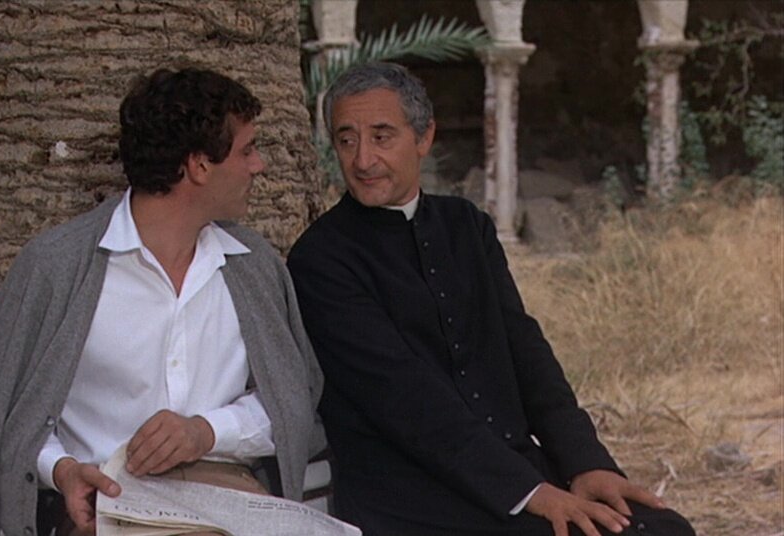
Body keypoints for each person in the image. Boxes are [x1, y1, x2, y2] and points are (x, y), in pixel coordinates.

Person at [287, 62, 695, 536]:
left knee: (665, 529)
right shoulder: (321, 258)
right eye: (346, 140)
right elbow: (405, 398)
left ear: (424, 137)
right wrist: (531, 492)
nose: (362, 160)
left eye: (381, 137)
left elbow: (525, 350)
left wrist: (586, 462)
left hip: (515, 472)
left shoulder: (466, 226)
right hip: (410, 497)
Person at [0, 68, 325, 536]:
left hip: (227, 503)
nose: (258, 166)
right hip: (105, 507)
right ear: (198, 166)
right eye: (246, 151)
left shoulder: (254, 268)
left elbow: (293, 404)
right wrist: (64, 471)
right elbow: (9, 418)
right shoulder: (55, 268)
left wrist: (206, 432)